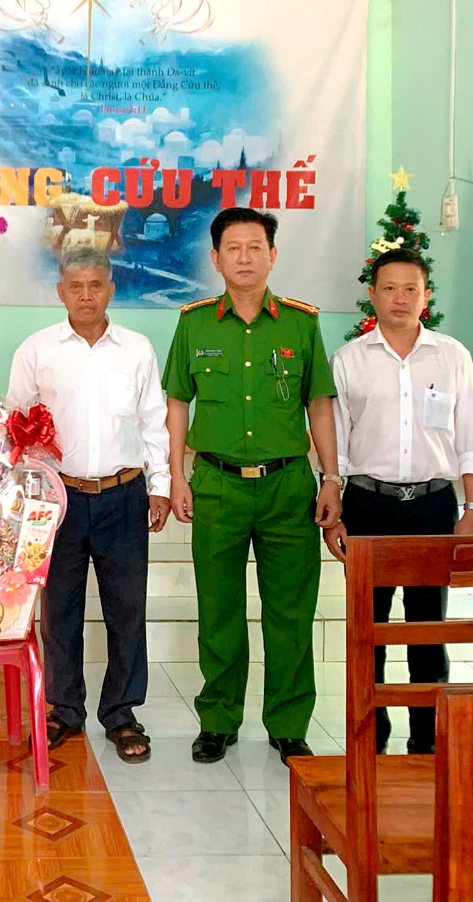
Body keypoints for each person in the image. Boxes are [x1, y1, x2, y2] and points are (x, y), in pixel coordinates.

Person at [162, 208, 343, 765]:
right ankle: (218, 720)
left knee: (291, 611)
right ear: (215, 259)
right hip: (216, 484)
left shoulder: (300, 324)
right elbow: (177, 401)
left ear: (273, 255)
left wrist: (330, 478)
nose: (245, 257)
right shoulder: (194, 323)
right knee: (219, 610)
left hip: (288, 485)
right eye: (234, 248)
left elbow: (319, 404)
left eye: (255, 247)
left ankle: (288, 724)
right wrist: (176, 475)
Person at [7, 246, 171, 764]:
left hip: (124, 494)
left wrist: (161, 484)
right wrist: (26, 495)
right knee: (60, 610)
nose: (85, 296)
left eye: (95, 285)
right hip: (59, 499)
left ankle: (121, 712)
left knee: (127, 609)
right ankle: (64, 709)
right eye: (75, 287)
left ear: (110, 290)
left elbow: (154, 422)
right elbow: (15, 425)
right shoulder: (36, 350)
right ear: (61, 292)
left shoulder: (137, 349)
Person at [328, 247, 473, 754]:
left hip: (432, 507)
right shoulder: (350, 359)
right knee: (367, 631)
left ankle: (428, 741)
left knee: (427, 632)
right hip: (367, 506)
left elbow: (472, 437)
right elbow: (336, 443)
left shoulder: (452, 356)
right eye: (389, 288)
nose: (399, 298)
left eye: (410, 289)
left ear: (426, 297)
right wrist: (332, 506)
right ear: (372, 295)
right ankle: (370, 739)